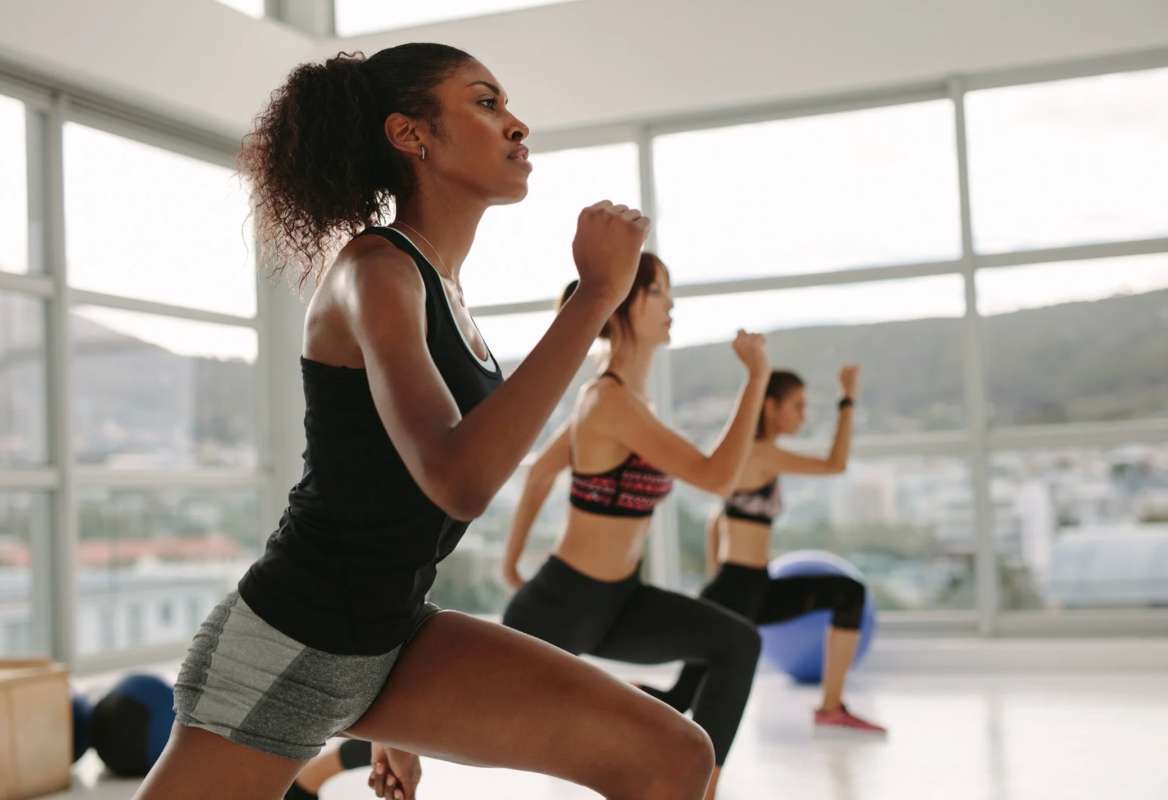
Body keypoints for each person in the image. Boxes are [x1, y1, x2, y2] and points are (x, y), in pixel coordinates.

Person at [136, 45, 719, 800]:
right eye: (485, 103)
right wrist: (594, 298)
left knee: (673, 756)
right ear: (412, 136)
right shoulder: (373, 272)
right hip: (289, 642)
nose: (517, 125)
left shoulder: (441, 286)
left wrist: (393, 716)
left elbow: (399, 495)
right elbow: (458, 478)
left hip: (392, 636)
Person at [501, 255, 769, 800]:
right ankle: (317, 774)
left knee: (734, 645)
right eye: (661, 293)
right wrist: (757, 378)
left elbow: (543, 474)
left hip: (619, 603)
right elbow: (718, 477)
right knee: (451, 720)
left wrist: (512, 561)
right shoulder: (609, 400)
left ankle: (701, 791)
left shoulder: (623, 403)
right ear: (631, 300)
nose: (672, 305)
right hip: (563, 603)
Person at [642, 366, 887, 734]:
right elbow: (835, 464)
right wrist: (847, 398)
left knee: (848, 595)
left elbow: (716, 518)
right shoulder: (760, 454)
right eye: (797, 405)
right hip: (737, 589)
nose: (803, 414)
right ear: (771, 406)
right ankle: (597, 701)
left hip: (751, 585)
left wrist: (717, 576)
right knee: (678, 700)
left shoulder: (757, 455)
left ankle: (830, 707)